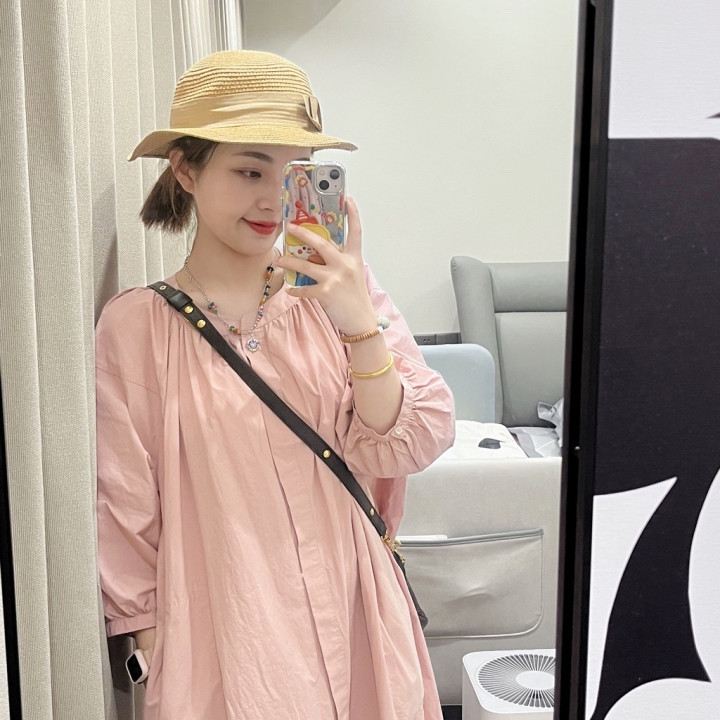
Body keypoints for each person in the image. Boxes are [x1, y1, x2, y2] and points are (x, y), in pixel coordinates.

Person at [96, 50, 455, 720]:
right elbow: (125, 510)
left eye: (294, 174)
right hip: (227, 639)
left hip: (357, 612)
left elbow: (414, 440)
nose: (273, 199)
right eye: (249, 170)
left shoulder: (342, 297)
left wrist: (358, 324)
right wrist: (153, 643)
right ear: (186, 170)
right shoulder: (137, 328)